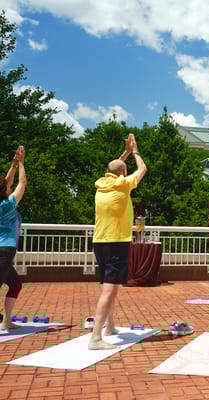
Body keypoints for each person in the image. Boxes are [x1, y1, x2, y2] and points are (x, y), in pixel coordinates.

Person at [89, 134, 147, 350]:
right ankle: (95, 337)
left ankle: (109, 327)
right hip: (116, 242)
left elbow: (114, 167)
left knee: (108, 286)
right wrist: (136, 151)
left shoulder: (101, 183)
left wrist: (124, 154)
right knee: (109, 289)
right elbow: (142, 170)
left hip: (99, 241)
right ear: (123, 173)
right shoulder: (123, 184)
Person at [0, 146, 26, 330]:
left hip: (4, 249)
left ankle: (6, 321)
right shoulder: (8, 205)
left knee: (15, 284)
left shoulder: (3, 199)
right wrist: (22, 164)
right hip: (5, 249)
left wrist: (13, 164)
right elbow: (21, 184)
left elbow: (7, 183)